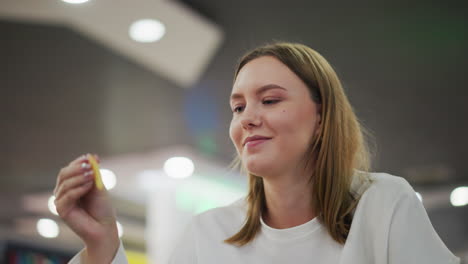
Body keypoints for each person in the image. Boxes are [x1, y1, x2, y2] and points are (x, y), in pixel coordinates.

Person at [54, 42, 460, 264]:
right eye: (238, 107)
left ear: (322, 117)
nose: (247, 118)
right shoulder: (210, 232)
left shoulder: (384, 204)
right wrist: (101, 245)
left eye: (269, 100)